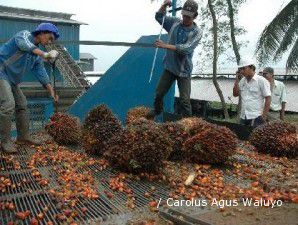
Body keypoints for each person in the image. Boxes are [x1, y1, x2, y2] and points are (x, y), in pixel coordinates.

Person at [0, 23, 60, 153]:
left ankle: (23, 137)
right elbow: (25, 45)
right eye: (49, 38)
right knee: (8, 104)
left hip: (11, 80)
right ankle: (4, 141)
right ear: (42, 32)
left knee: (22, 104)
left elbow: (41, 73)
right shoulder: (24, 35)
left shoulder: (35, 56)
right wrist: (45, 55)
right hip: (1, 72)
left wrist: (52, 92)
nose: (49, 42)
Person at [147, 0, 202, 119]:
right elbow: (159, 17)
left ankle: (188, 123)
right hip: (170, 67)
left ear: (195, 16)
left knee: (184, 101)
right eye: (184, 15)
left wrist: (165, 45)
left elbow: (186, 49)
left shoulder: (197, 32)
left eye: (188, 16)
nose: (185, 18)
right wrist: (164, 5)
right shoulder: (174, 23)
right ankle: (157, 110)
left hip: (184, 71)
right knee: (159, 93)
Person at [233, 59, 271, 128]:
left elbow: (268, 98)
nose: (241, 71)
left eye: (243, 68)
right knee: (242, 137)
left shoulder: (261, 81)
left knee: (255, 137)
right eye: (240, 69)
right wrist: (236, 79)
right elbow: (235, 94)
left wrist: (264, 116)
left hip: (256, 117)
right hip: (243, 116)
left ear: (252, 68)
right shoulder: (242, 81)